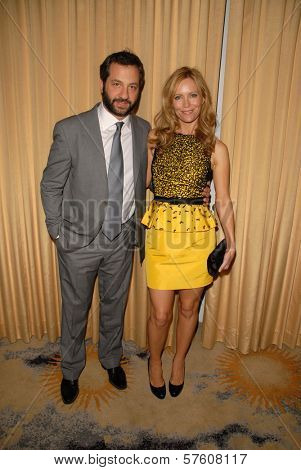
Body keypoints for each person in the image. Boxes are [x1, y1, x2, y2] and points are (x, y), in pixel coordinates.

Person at [40, 50, 151, 404]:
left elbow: (140, 180)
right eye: (117, 83)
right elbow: (51, 185)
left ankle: (109, 359)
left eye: (132, 87)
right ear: (102, 83)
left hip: (123, 238)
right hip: (79, 242)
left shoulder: (143, 129)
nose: (124, 94)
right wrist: (58, 232)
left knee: (114, 305)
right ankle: (71, 370)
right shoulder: (71, 130)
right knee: (75, 308)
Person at [142, 67, 236, 399]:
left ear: (203, 99)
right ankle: (154, 361)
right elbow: (143, 185)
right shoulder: (155, 140)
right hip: (161, 234)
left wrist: (232, 242)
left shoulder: (216, 148)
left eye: (193, 95)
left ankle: (179, 360)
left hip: (198, 236)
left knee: (188, 307)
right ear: (170, 102)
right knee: (161, 312)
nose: (186, 104)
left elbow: (222, 199)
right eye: (178, 97)